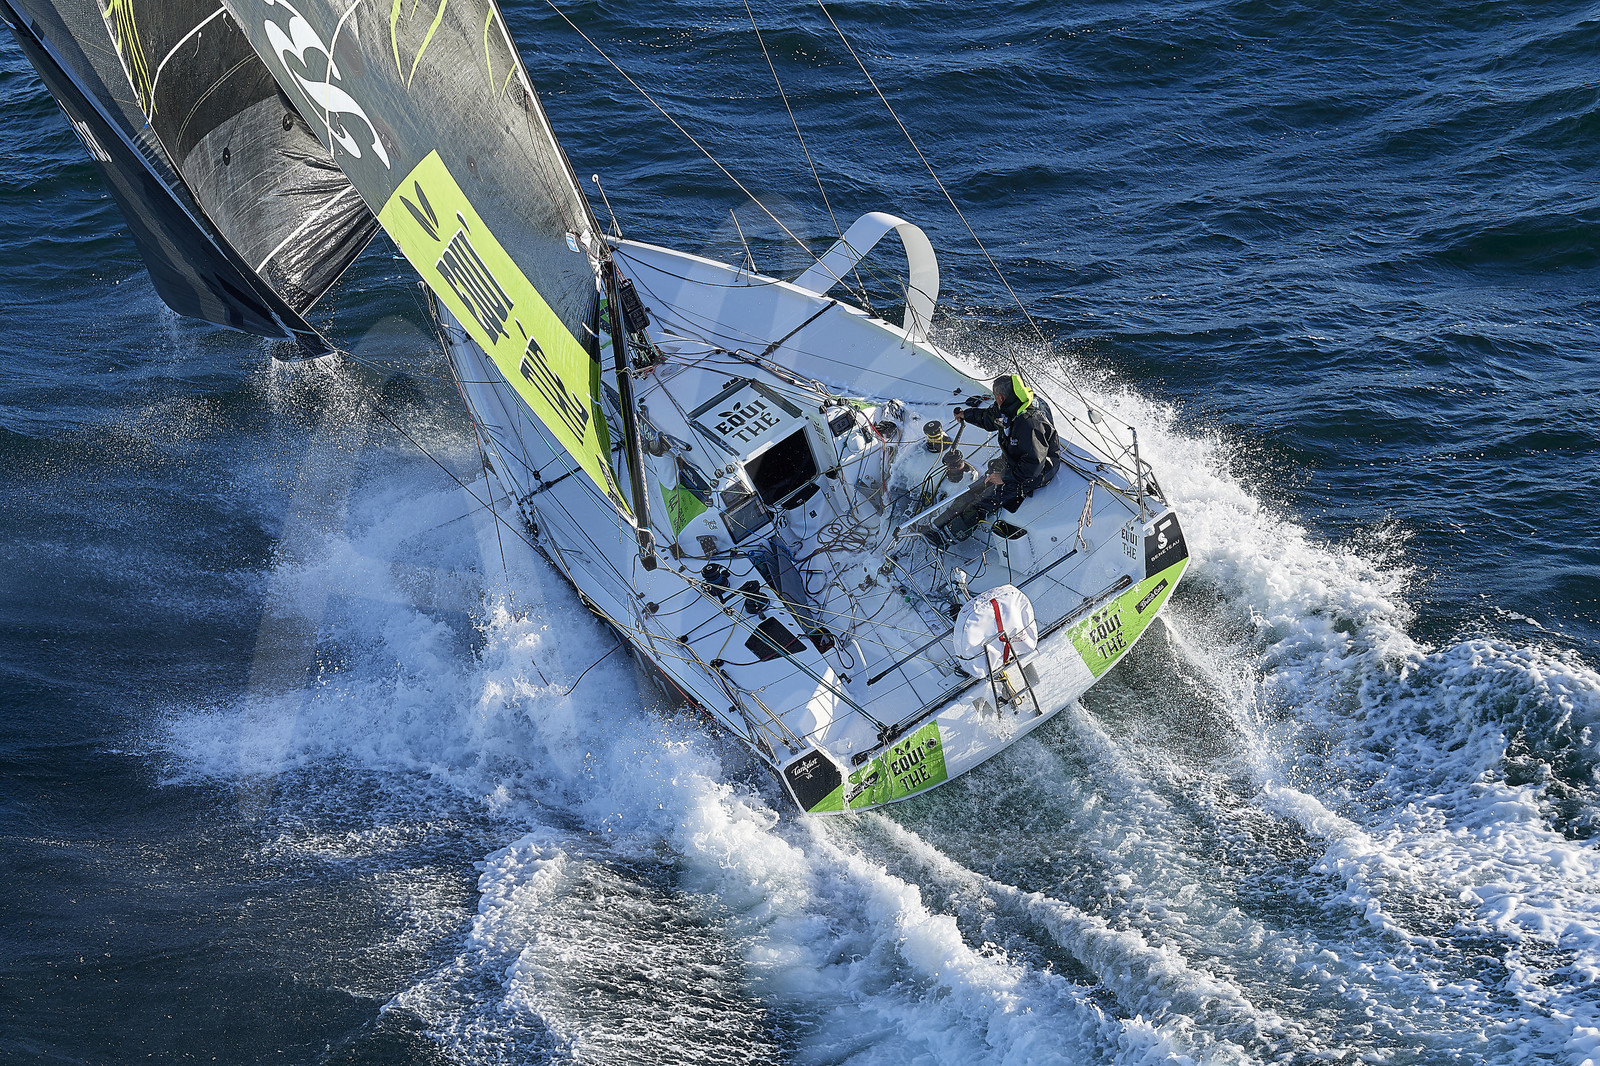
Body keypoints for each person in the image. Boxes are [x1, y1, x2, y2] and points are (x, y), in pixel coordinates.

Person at [929, 374, 1060, 545]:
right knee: (974, 490)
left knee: (983, 501)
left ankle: (944, 538)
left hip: (1034, 473)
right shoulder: (1010, 406)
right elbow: (989, 418)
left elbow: (1033, 466)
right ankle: (937, 526)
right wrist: (966, 414)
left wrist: (1004, 477)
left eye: (995, 396)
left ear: (1001, 397)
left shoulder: (1030, 424)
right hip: (1015, 461)